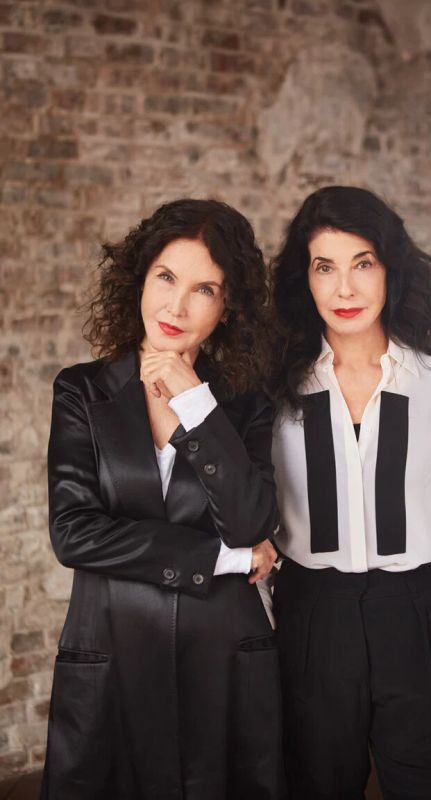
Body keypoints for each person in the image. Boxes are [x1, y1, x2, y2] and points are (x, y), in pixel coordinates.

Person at [41, 198, 286, 800]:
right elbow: (73, 533)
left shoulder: (246, 404)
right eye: (166, 277)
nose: (177, 306)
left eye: (204, 289)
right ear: (140, 279)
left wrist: (196, 403)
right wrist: (223, 558)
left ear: (227, 308)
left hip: (221, 658)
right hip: (112, 654)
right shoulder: (81, 391)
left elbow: (251, 520)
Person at [270, 185, 431, 800]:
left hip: (415, 619)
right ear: (305, 279)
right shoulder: (274, 390)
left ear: (390, 269)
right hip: (310, 621)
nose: (344, 289)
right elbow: (247, 521)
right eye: (325, 267)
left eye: (363, 263)